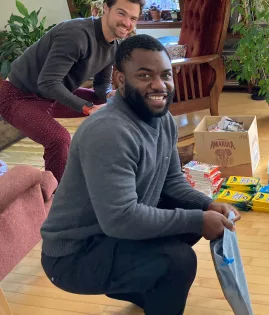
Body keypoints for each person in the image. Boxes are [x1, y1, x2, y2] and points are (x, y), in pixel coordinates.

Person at [40, 34, 241, 315]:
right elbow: (120, 219)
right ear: (120, 79)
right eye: (145, 75)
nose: (159, 85)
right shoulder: (108, 132)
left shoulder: (163, 120)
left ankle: (146, 289)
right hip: (74, 255)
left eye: (166, 75)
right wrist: (198, 219)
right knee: (178, 260)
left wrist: (206, 205)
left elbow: (172, 182)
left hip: (109, 232)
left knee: (190, 214)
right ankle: (142, 282)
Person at [0, 0, 144, 183]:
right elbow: (48, 83)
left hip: (50, 96)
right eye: (121, 13)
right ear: (106, 8)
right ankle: (56, 199)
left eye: (133, 18)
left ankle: (109, 165)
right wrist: (88, 107)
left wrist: (108, 95)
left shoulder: (114, 46)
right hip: (18, 96)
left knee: (117, 102)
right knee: (59, 139)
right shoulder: (76, 34)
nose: (127, 23)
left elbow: (101, 85)